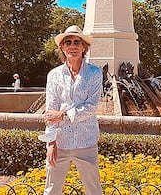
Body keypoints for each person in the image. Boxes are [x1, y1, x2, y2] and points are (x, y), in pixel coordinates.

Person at [38, 25, 103, 195]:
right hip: (60, 142)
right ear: (62, 47)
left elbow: (91, 107)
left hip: (86, 141)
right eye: (68, 42)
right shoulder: (54, 75)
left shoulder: (95, 73)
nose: (72, 46)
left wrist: (63, 115)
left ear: (84, 47)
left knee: (94, 190)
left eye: (76, 42)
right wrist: (50, 143)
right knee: (51, 190)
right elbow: (50, 110)